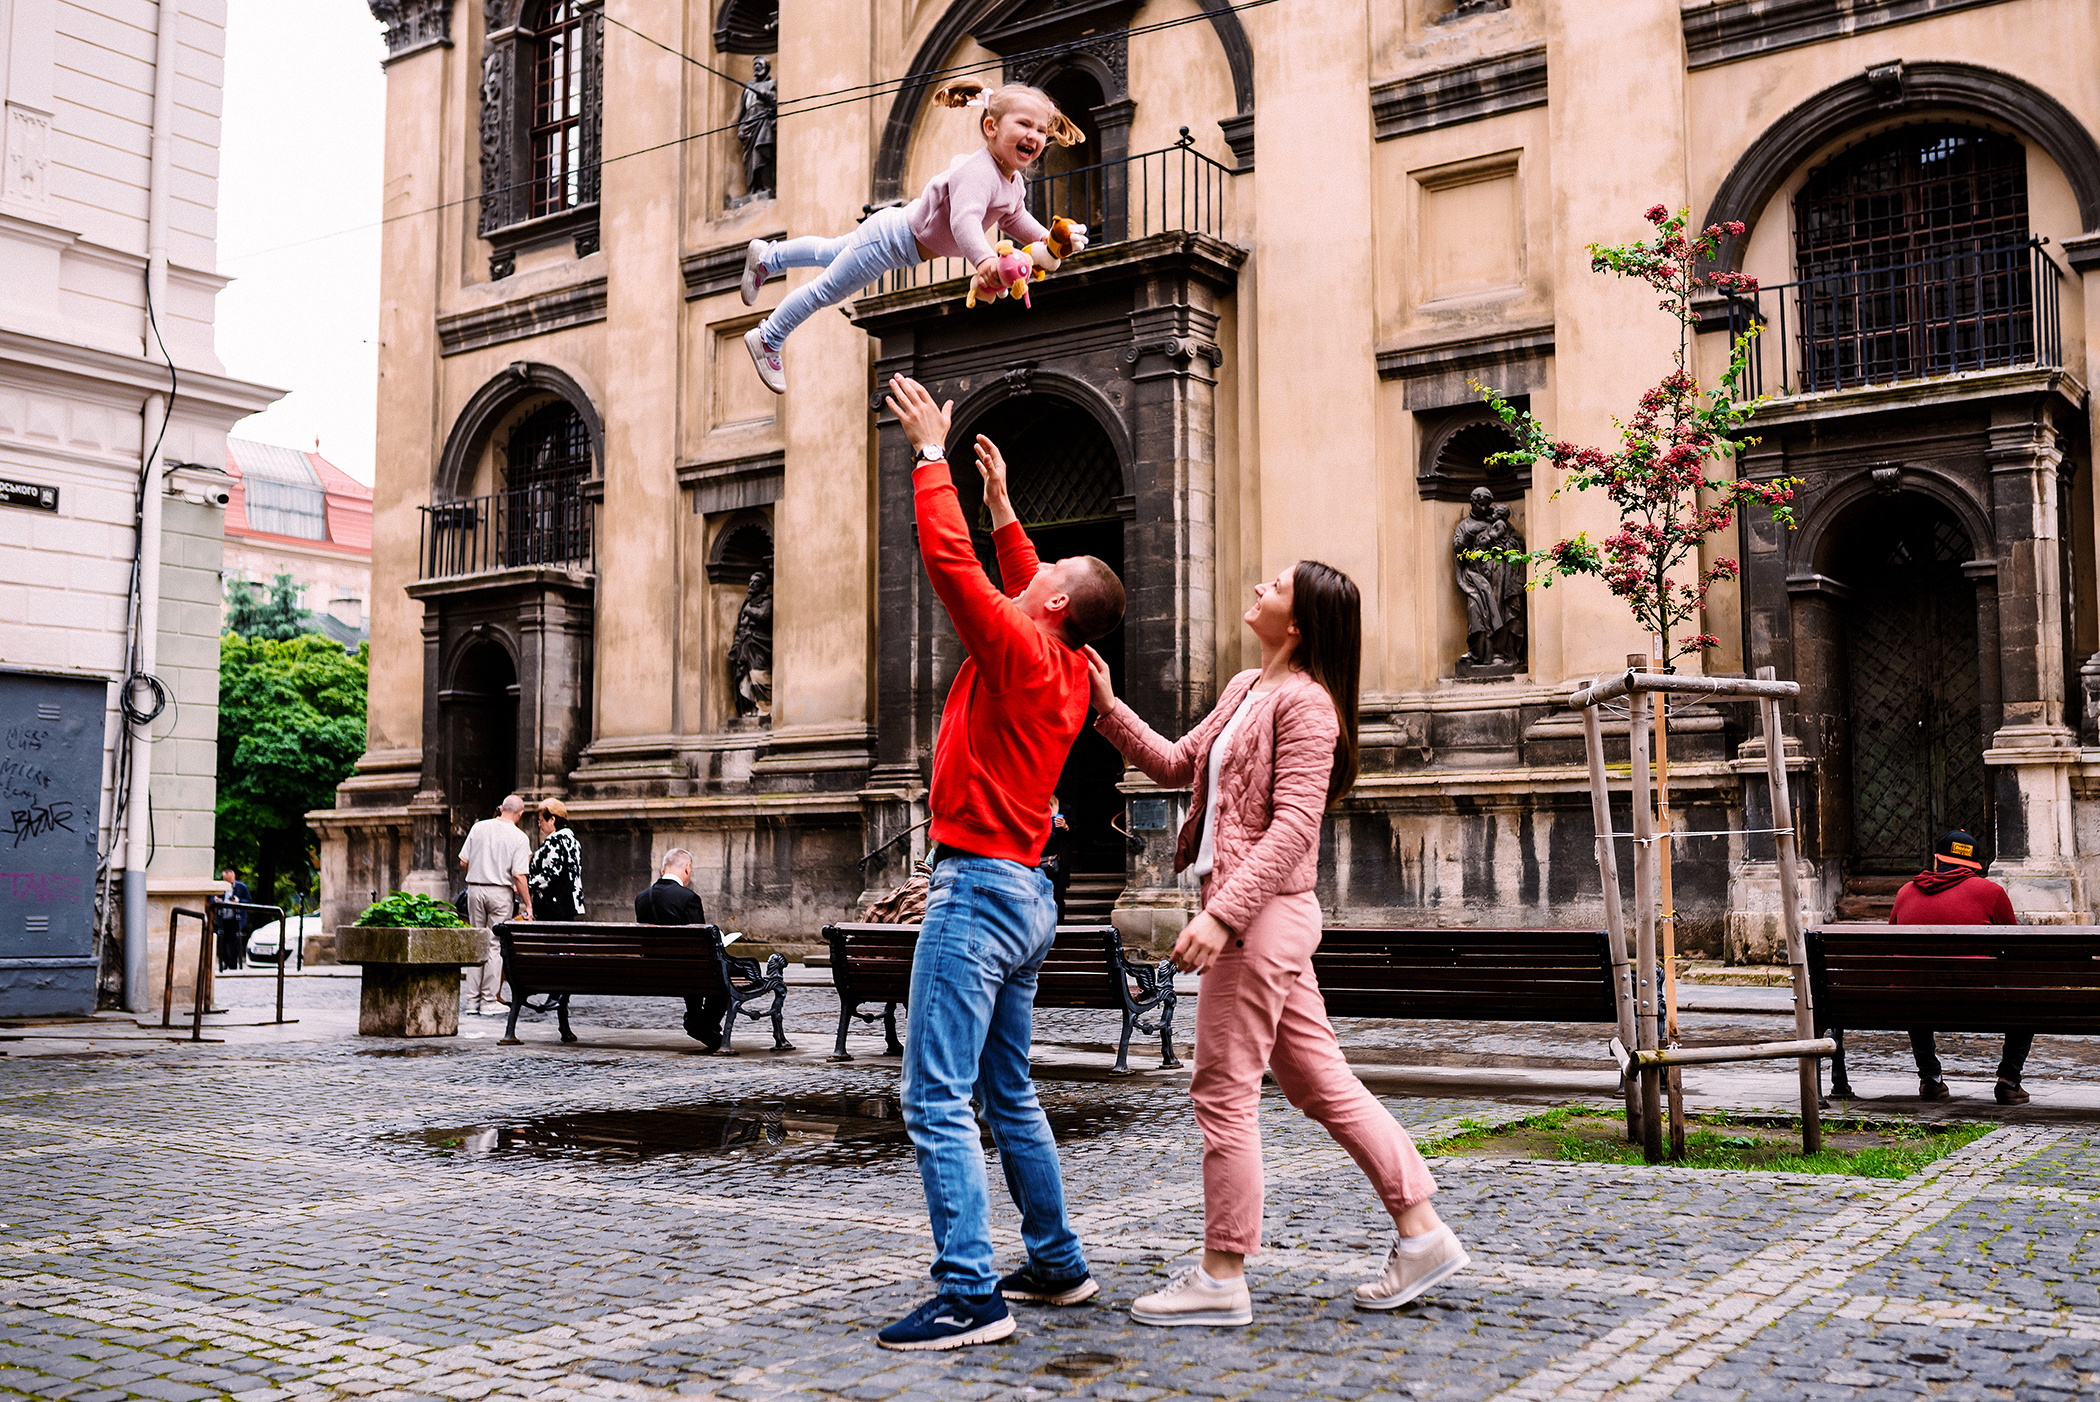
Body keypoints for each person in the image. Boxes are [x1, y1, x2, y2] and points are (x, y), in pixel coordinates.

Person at [1083, 560, 1468, 1327]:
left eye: (1276, 586)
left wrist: (1222, 915)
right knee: (1321, 1086)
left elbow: (1295, 829)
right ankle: (1422, 1233)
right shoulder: (1244, 689)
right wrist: (1107, 706)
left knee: (1222, 1092)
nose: (1257, 584)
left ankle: (1222, 1275)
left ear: (1297, 623)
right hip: (1259, 917)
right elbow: (1173, 763)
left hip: (1261, 920)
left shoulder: (1309, 706)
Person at [872, 374, 1126, 1352]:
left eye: (1044, 564)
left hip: (979, 892)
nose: (1030, 566)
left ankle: (970, 1293)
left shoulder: (1023, 647)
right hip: (1024, 894)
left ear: (1053, 598)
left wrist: (931, 456)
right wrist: (1009, 511)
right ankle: (1056, 1260)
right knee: (1007, 1089)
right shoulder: (1061, 661)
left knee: (935, 1094)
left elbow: (952, 566)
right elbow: (1030, 582)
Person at [738, 82, 1088, 394]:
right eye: (1024, 125)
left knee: (829, 251)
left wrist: (1051, 240)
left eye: (1042, 130)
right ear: (991, 128)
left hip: (895, 235)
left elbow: (1014, 218)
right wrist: (984, 260)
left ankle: (768, 257)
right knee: (826, 289)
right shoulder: (979, 172)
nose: (1035, 135)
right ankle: (768, 337)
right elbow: (964, 221)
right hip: (891, 241)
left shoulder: (1011, 181)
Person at [1891, 829, 2030, 1105]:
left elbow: (1893, 948)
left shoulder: (1905, 893)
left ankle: (1930, 1077)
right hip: (1977, 999)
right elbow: (2014, 951)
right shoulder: (1991, 892)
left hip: (1913, 1002)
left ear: (1936, 860)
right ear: (1975, 866)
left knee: (1914, 982)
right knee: (2028, 995)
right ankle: (2008, 1080)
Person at [634, 848, 728, 1052]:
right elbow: (701, 944)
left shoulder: (641, 898)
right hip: (687, 972)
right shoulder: (688, 898)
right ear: (687, 868)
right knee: (724, 974)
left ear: (662, 871)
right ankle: (701, 1022)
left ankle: (700, 1023)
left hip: (651, 971)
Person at [457, 795, 531, 1016]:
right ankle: (489, 1000)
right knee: (494, 945)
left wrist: (478, 875)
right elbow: (519, 875)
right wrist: (528, 904)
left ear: (501, 809)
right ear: (520, 814)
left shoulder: (479, 827)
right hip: (500, 892)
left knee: (475, 943)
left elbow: (463, 861)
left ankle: (471, 1001)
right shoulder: (519, 837)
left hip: (475, 889)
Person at [527, 799, 585, 921]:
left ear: (552, 820)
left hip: (552, 906)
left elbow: (549, 875)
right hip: (569, 904)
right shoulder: (573, 841)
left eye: (541, 820)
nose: (539, 825)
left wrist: (526, 884)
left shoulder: (554, 842)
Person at [215, 867, 250, 971]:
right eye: (225, 879)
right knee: (221, 941)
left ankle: (233, 964)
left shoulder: (241, 887)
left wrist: (238, 901)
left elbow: (248, 900)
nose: (228, 882)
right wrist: (216, 900)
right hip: (223, 918)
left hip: (235, 919)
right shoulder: (220, 887)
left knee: (234, 941)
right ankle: (226, 962)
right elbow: (212, 897)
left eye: (229, 879)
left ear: (234, 877)